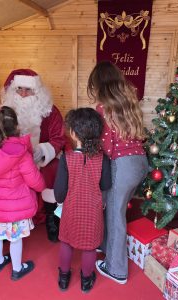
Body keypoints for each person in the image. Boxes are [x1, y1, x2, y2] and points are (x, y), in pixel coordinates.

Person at [87, 61, 149, 284]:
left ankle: (116, 269)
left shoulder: (104, 108)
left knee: (115, 216)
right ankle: (107, 248)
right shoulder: (128, 103)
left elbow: (106, 147)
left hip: (121, 166)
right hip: (140, 162)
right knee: (114, 209)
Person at [0, 106, 46, 281]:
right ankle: (17, 269)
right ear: (16, 126)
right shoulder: (20, 153)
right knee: (15, 238)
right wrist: (43, 186)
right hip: (15, 205)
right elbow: (34, 180)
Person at [1, 69, 66, 243]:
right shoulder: (5, 113)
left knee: (54, 170)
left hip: (43, 160)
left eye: (28, 89)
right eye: (19, 89)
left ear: (37, 91)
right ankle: (9, 222)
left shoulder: (50, 112)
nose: (23, 94)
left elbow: (59, 138)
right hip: (15, 160)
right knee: (7, 176)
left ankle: (52, 217)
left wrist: (42, 152)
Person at [54, 108, 111, 293]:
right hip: (93, 211)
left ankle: (63, 278)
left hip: (71, 209)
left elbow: (59, 193)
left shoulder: (66, 158)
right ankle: (86, 281)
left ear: (72, 132)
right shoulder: (103, 159)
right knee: (90, 247)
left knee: (66, 242)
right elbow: (106, 184)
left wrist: (60, 198)